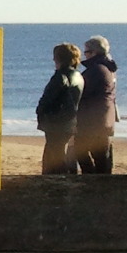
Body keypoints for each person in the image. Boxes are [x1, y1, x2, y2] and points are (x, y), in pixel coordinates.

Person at [34, 43, 83, 175]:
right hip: (70, 121)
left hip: (56, 123)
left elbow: (48, 99)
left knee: (55, 156)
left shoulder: (60, 76)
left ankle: (56, 183)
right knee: (62, 154)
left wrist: (40, 111)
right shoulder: (78, 76)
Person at [74, 36, 118, 175]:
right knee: (101, 158)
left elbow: (81, 94)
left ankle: (93, 180)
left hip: (94, 121)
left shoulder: (97, 70)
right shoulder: (107, 69)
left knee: (85, 152)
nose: (84, 55)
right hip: (104, 120)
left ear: (94, 52)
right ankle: (97, 180)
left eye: (86, 52)